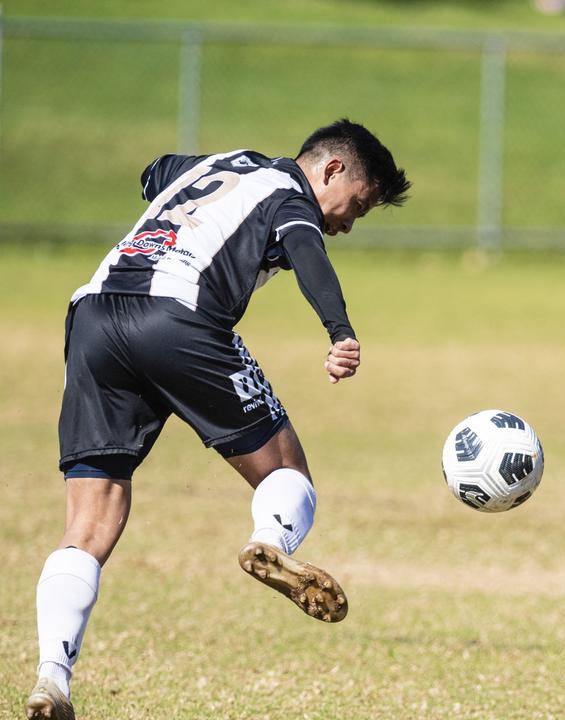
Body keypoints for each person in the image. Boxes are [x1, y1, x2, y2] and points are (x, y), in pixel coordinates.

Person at [25, 119, 410, 720]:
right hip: (178, 320)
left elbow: (154, 170)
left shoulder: (216, 165)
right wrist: (340, 331)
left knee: (92, 516)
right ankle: (270, 541)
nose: (348, 223)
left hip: (93, 317)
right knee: (287, 468)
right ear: (331, 170)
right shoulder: (290, 193)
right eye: (355, 206)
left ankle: (53, 676)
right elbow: (308, 250)